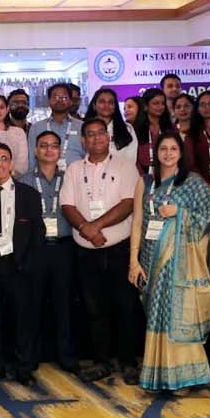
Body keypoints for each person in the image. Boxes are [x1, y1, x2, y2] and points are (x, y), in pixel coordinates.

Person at [127, 133, 210, 394]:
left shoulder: (193, 182)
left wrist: (180, 212)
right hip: (150, 258)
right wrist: (133, 261)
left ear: (181, 153)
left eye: (173, 148)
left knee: (178, 314)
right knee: (155, 314)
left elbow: (208, 217)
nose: (168, 153)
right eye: (163, 148)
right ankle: (159, 374)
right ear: (156, 153)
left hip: (181, 262)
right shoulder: (145, 182)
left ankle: (183, 378)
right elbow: (137, 222)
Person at [59, 119, 142, 383]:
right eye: (90, 134)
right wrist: (86, 228)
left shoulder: (125, 166)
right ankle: (101, 362)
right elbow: (67, 205)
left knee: (125, 307)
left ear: (108, 138)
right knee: (94, 309)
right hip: (86, 251)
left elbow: (129, 203)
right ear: (83, 140)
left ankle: (128, 362)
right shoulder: (74, 169)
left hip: (120, 249)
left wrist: (96, 226)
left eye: (100, 134)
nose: (96, 138)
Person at [0, 142, 44, 385]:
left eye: (4, 158)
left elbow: (37, 232)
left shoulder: (28, 194)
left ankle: (23, 368)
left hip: (18, 264)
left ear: (12, 163)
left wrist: (28, 263)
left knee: (22, 319)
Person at [19, 130, 81, 372]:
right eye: (43, 145)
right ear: (35, 150)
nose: (48, 150)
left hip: (63, 247)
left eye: (53, 146)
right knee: (32, 304)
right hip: (35, 249)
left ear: (60, 151)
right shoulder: (24, 181)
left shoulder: (70, 179)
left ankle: (66, 356)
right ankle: (30, 357)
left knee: (64, 304)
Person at [29, 83, 84, 171]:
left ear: (71, 101)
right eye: (55, 97)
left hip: (77, 176)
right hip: (44, 177)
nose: (60, 100)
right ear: (49, 101)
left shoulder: (82, 127)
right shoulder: (36, 127)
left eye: (64, 97)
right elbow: (32, 160)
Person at [88, 88, 138, 160]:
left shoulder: (127, 128)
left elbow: (131, 158)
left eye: (111, 102)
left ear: (115, 106)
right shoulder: (85, 128)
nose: (106, 105)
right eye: (102, 102)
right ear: (94, 106)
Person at [133, 88, 173, 174]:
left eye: (163, 103)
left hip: (168, 173)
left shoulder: (170, 128)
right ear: (145, 106)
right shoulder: (135, 129)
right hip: (141, 175)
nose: (160, 107)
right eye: (156, 103)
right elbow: (132, 157)